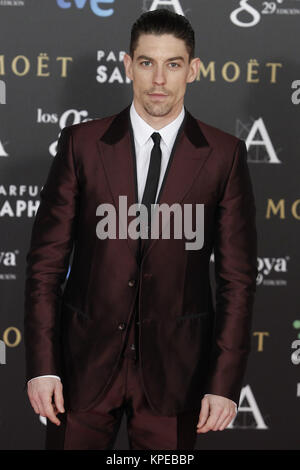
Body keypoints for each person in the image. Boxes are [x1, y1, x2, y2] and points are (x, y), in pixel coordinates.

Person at [24, 9, 257, 450]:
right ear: (128, 66)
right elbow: (45, 266)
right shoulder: (81, 145)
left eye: (173, 64)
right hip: (81, 371)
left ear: (193, 70)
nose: (159, 80)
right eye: (147, 62)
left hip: (176, 377)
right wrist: (43, 366)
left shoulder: (224, 155)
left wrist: (224, 382)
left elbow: (238, 281)